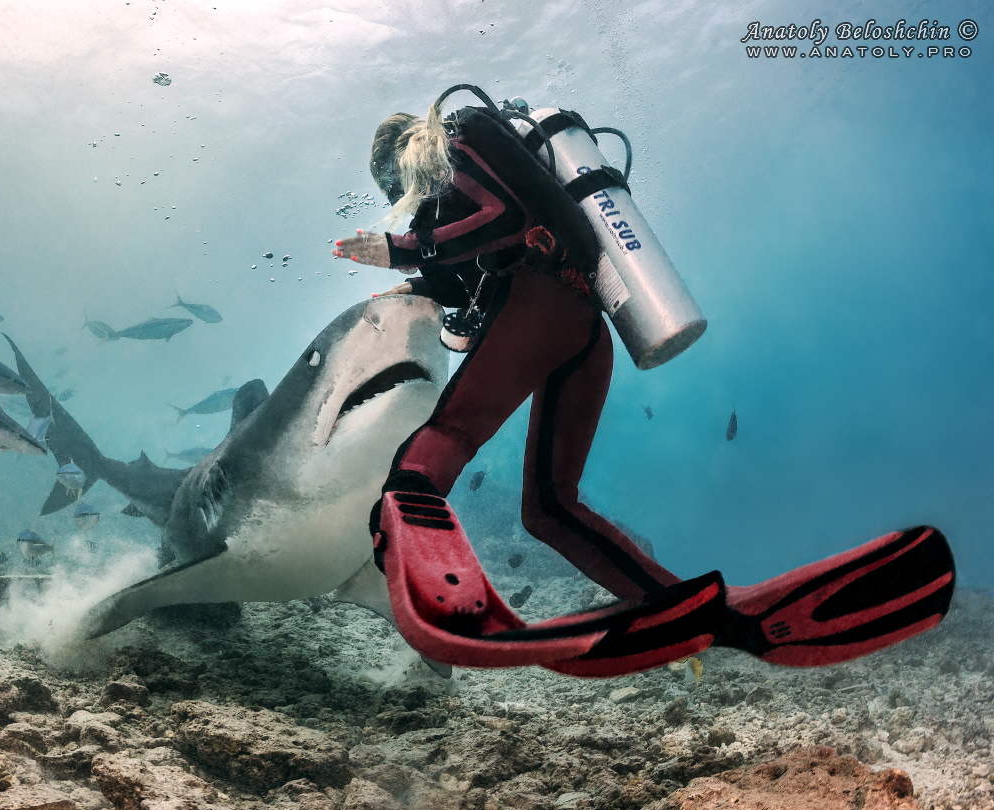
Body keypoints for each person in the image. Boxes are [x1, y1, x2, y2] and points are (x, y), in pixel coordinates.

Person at [332, 91, 955, 676]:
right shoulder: (467, 174)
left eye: (397, 185)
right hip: (583, 323)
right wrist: (415, 281)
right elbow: (467, 270)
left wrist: (401, 245)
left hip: (544, 303)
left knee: (436, 448)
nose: (407, 198)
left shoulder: (460, 132)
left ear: (405, 154)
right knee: (550, 508)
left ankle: (442, 595)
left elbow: (510, 216)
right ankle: (733, 619)